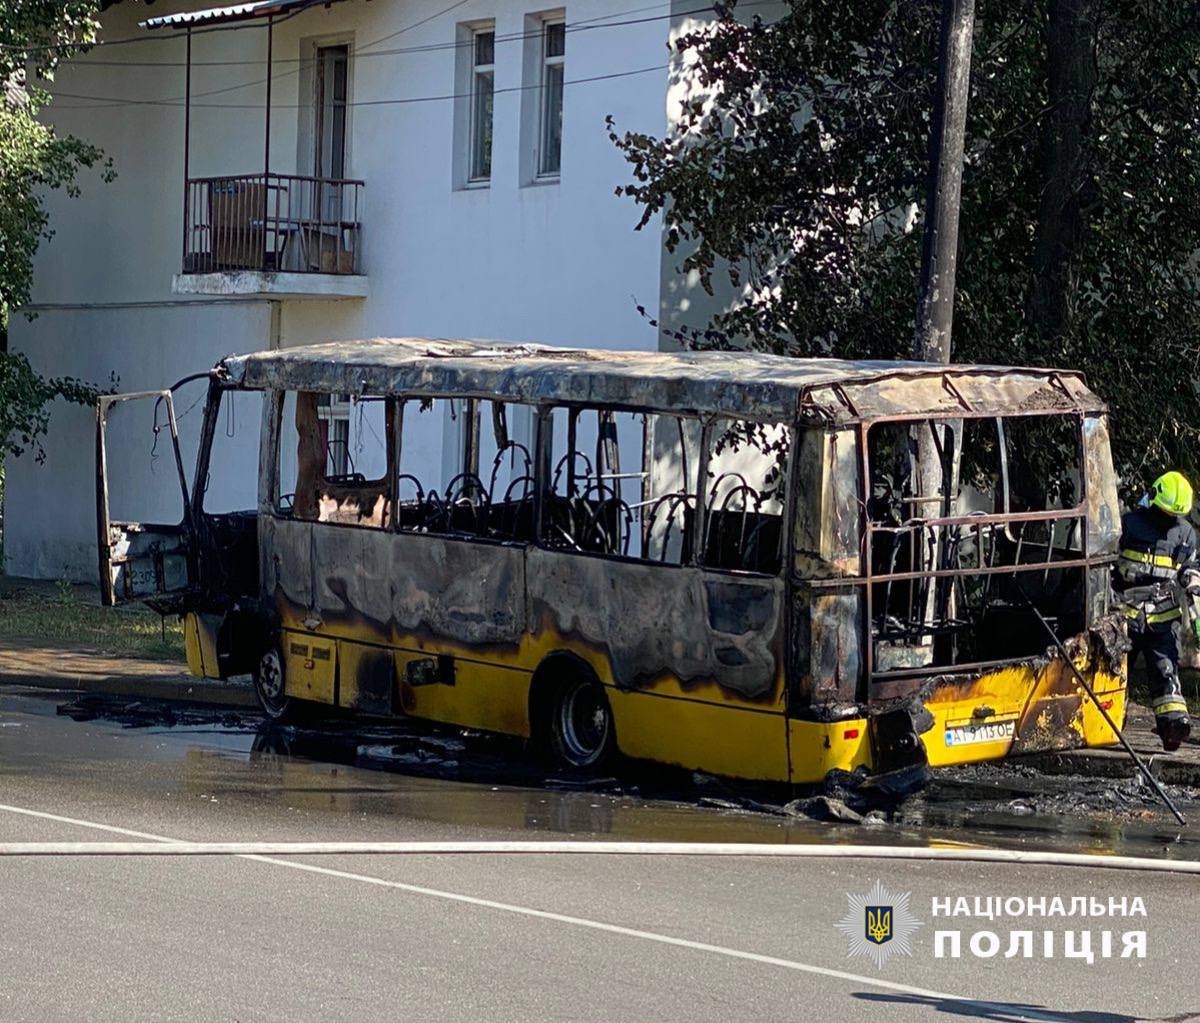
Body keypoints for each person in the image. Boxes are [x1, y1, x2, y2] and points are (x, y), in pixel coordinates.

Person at [1114, 471, 1198, 751]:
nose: (1168, 521)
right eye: (1164, 514)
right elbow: (1108, 563)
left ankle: (1173, 727)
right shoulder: (1128, 525)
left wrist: (1192, 580)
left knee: (1166, 671)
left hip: (1162, 619)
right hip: (1124, 616)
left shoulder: (1185, 533)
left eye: (1173, 516)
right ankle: (1110, 724)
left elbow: (1190, 567)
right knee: (1116, 673)